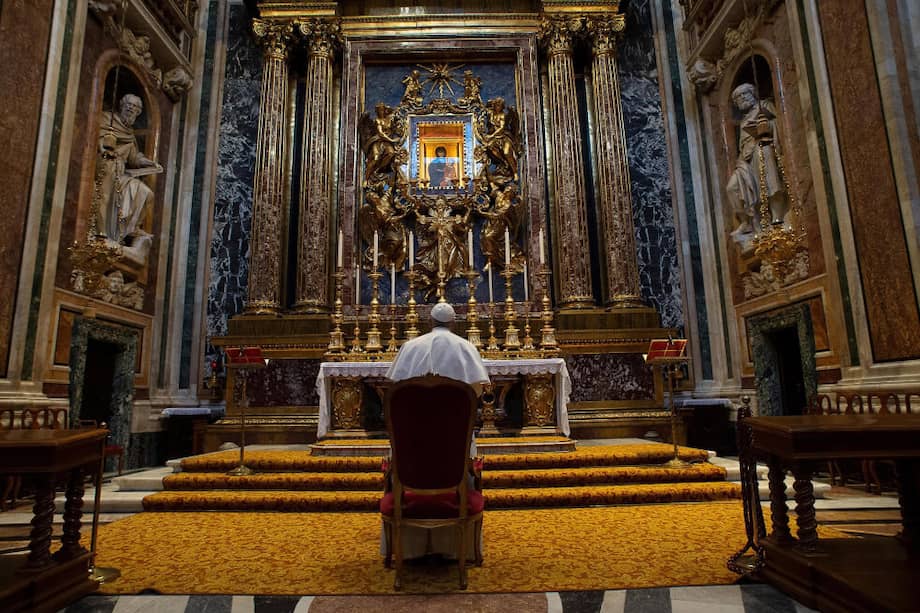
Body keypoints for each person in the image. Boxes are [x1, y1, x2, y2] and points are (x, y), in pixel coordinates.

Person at [97, 94, 163, 243]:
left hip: (122, 172)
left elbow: (134, 158)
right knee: (104, 194)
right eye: (129, 104)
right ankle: (101, 233)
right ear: (122, 105)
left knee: (146, 193)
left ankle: (130, 228)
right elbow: (97, 137)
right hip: (106, 163)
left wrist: (150, 163)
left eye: (134, 107)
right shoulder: (108, 119)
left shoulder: (130, 133)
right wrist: (105, 149)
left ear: (138, 112)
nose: (130, 108)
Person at [725, 83, 786, 242]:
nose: (742, 99)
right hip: (745, 158)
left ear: (753, 94)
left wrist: (765, 126)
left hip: (763, 147)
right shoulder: (743, 120)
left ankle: (777, 219)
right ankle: (747, 223)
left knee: (770, 182)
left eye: (744, 94)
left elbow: (780, 123)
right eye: (738, 98)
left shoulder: (764, 105)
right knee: (732, 187)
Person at [386, 303, 489, 395]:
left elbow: (397, 384)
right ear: (453, 323)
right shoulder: (467, 347)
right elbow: (475, 389)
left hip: (417, 406)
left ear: (429, 322)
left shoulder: (409, 346)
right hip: (455, 407)